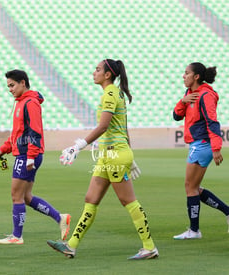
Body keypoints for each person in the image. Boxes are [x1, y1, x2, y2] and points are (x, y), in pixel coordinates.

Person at [47, 59, 158, 260]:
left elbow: (103, 126)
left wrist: (78, 145)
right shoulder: (115, 93)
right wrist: (129, 156)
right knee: (91, 199)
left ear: (108, 74)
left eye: (97, 69)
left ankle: (149, 247)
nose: (93, 72)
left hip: (115, 154)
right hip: (109, 155)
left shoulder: (110, 93)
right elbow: (122, 126)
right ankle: (70, 245)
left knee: (128, 200)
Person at [0, 69, 71, 245]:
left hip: (27, 155)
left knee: (16, 195)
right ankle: (60, 218)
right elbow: (17, 134)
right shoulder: (21, 103)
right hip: (25, 154)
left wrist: (30, 157)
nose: (10, 89)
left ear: (23, 82)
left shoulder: (30, 103)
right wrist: (2, 150)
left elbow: (35, 131)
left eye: (12, 85)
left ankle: (17, 236)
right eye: (8, 86)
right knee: (26, 197)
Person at [172, 62, 229, 240]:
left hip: (202, 144)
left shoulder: (205, 95)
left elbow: (212, 122)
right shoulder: (190, 93)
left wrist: (216, 148)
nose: (183, 76)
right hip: (197, 144)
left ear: (196, 76)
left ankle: (194, 231)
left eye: (186, 73)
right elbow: (176, 116)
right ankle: (227, 212)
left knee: (190, 187)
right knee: (194, 187)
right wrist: (182, 101)